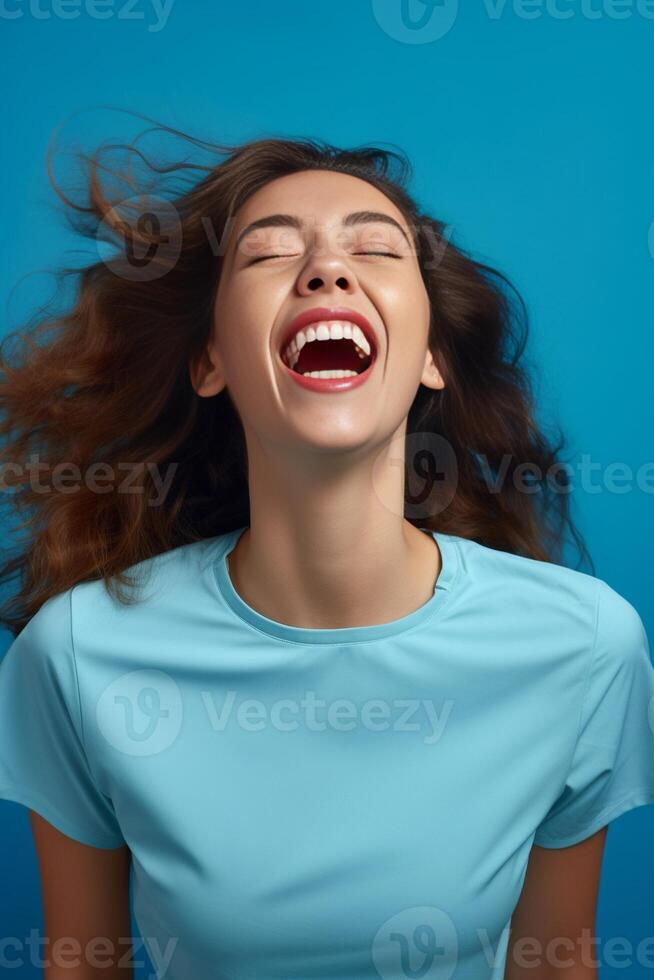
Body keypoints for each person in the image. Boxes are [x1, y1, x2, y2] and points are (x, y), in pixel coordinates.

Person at [0, 130, 653, 980]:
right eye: (269, 254)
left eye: (375, 249)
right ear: (210, 360)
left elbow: (557, 963)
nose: (326, 270)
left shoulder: (583, 645)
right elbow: (83, 966)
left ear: (429, 358)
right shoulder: (79, 652)